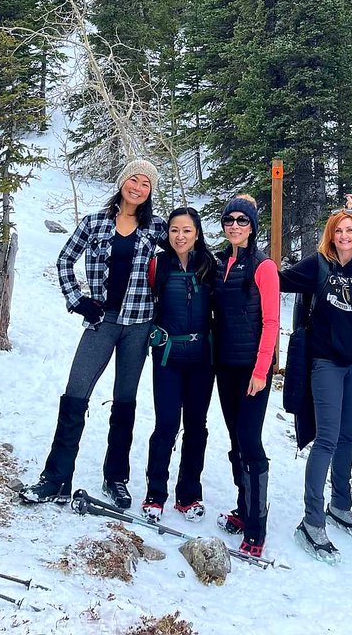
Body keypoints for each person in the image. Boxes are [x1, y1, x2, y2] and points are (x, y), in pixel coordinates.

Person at [20, 159, 166, 508]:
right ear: (122, 182)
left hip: (139, 324)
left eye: (146, 183)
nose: (138, 187)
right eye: (133, 178)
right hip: (101, 322)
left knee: (125, 400)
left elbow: (185, 248)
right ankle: (55, 478)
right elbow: (64, 260)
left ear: (150, 192)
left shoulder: (157, 228)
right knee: (75, 393)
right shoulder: (95, 222)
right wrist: (77, 300)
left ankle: (115, 477)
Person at [279, 208, 352, 563]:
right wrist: (245, 264)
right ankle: (312, 521)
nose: (344, 236)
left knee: (347, 435)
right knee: (326, 438)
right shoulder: (317, 265)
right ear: (330, 235)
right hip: (326, 362)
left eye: (350, 230)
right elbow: (279, 279)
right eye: (339, 231)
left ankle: (340, 504)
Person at [212, 194, 280, 559]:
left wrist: (261, 370)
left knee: (251, 441)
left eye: (242, 221)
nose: (235, 226)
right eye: (229, 220)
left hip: (253, 370)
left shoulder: (262, 265)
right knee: (236, 438)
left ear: (252, 227)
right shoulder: (220, 260)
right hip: (225, 366)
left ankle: (257, 524)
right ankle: (243, 508)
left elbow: (271, 322)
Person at [142, 206, 216, 523]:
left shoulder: (210, 266)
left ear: (197, 233)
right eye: (174, 230)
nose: (180, 236)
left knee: (196, 427)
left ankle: (188, 495)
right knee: (167, 425)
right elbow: (144, 304)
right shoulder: (158, 264)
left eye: (186, 230)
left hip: (202, 359)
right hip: (168, 357)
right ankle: (155, 493)